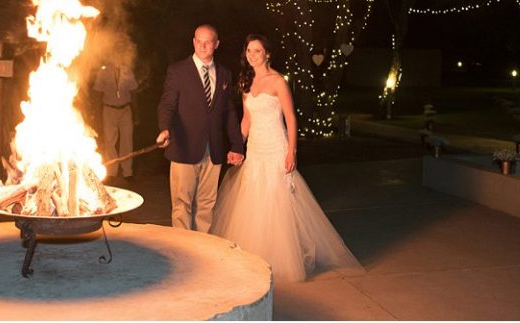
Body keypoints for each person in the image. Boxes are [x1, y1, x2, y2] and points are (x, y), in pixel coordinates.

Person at [210, 34, 362, 282]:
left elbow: (290, 118)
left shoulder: (278, 81)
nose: (252, 55)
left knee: (277, 201)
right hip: (256, 148)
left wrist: (292, 151)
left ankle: (280, 258)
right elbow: (246, 119)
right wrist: (238, 147)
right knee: (253, 199)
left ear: (267, 54)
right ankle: (254, 255)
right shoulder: (246, 81)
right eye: (249, 51)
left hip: (276, 147)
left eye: (257, 51)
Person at [156, 24, 245, 232]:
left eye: (208, 42)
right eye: (199, 41)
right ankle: (182, 245)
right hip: (184, 147)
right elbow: (167, 104)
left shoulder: (224, 74)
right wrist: (165, 128)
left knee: (207, 204)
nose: (203, 46)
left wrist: (237, 145)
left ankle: (202, 245)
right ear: (194, 42)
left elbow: (229, 112)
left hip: (213, 149)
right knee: (182, 204)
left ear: (216, 44)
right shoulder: (178, 71)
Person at [94, 56, 139, 180]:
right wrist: (97, 114)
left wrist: (136, 113)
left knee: (127, 141)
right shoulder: (104, 71)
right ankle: (111, 172)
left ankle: (127, 172)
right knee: (109, 142)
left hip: (125, 110)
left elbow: (133, 92)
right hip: (109, 109)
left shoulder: (127, 70)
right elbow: (98, 93)